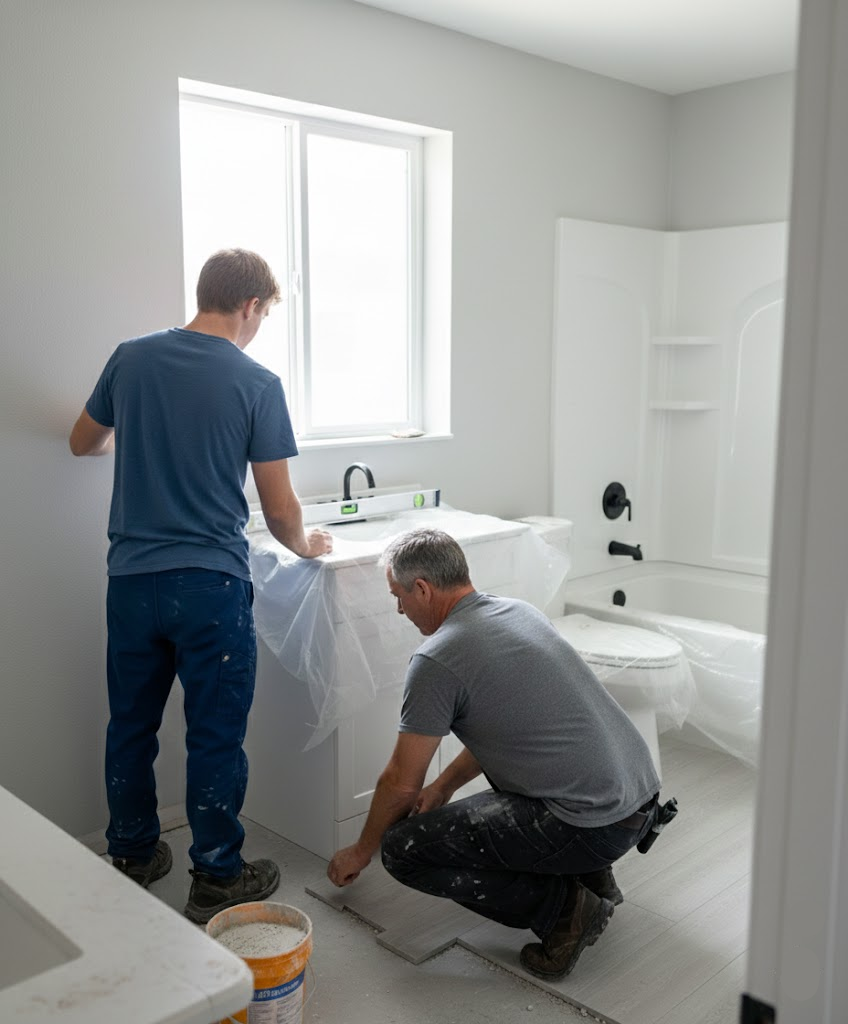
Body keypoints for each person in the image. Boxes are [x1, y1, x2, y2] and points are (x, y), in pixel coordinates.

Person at [70, 248, 332, 924]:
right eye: (266, 314)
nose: (260, 326)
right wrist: (306, 545)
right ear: (250, 305)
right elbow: (278, 509)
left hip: (131, 582)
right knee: (214, 734)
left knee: (130, 723)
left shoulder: (131, 359)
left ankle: (131, 853)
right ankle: (217, 875)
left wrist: (129, 441)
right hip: (210, 587)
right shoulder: (256, 382)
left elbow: (82, 441)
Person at [327, 527, 663, 979]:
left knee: (403, 849)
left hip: (593, 823)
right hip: (636, 798)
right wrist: (444, 786)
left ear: (422, 588)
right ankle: (589, 875)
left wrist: (361, 850)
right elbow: (506, 732)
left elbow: (399, 782)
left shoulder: (436, 659)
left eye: (399, 596)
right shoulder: (516, 612)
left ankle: (565, 912)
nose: (399, 608)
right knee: (515, 779)